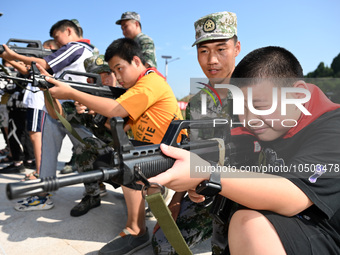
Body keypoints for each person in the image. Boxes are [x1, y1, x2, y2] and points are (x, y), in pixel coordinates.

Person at [149, 46, 340, 254]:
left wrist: (208, 172)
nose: (249, 120)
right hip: (296, 226)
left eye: (260, 106)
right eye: (242, 108)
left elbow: (293, 196)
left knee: (249, 225)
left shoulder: (332, 128)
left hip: (328, 231)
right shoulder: (266, 123)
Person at [38, 37, 186, 255]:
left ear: (136, 61)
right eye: (112, 72)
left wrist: (72, 93)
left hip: (169, 153)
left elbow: (116, 110)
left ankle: (136, 230)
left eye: (119, 69)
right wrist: (73, 99)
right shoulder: (140, 85)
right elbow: (115, 125)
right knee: (115, 157)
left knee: (127, 160)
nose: (117, 77)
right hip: (154, 150)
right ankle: (139, 212)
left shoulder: (150, 82)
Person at [152, 11, 240, 254]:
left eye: (221, 49)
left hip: (252, 190)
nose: (212, 59)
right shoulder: (197, 103)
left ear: (237, 48)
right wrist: (177, 200)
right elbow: (190, 152)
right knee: (164, 245)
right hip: (209, 189)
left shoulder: (259, 92)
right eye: (204, 51)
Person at [1, 19, 96, 211]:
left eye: (57, 37)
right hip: (64, 108)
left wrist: (12, 55)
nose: (56, 42)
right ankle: (51, 192)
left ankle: (49, 195)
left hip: (67, 109)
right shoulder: (82, 51)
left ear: (68, 31)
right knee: (80, 151)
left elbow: (45, 62)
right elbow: (45, 71)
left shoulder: (76, 47)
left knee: (75, 152)